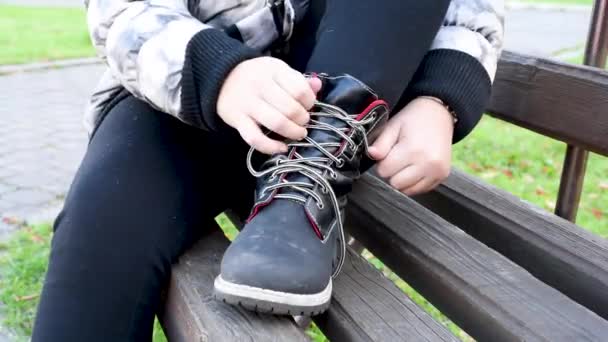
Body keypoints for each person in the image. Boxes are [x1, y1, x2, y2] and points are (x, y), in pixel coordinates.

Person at [33, 0, 504, 340]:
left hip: (344, 98)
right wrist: (218, 71)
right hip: (191, 90)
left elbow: (468, 9)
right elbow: (120, 10)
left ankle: (300, 192)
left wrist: (440, 95)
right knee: (100, 239)